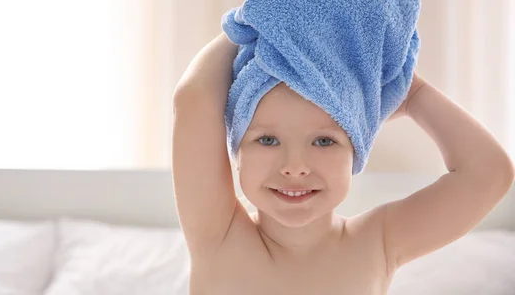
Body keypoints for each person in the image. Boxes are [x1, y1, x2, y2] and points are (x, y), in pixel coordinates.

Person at [171, 32, 514, 295]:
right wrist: (249, 24)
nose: (295, 167)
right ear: (236, 153)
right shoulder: (219, 236)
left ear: (357, 151)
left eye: (323, 141)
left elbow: (489, 173)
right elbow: (193, 100)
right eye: (267, 140)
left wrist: (410, 91)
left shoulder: (376, 242)